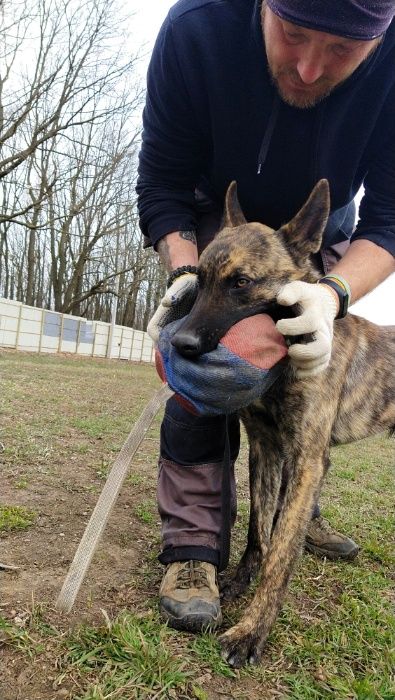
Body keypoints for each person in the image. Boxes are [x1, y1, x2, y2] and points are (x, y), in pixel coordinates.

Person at [137, 0, 395, 632]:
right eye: (294, 33)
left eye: (341, 50)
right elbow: (162, 182)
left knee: (305, 403)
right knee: (208, 373)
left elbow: (389, 221)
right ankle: (195, 550)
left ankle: (298, 518)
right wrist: (183, 274)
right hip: (221, 232)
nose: (309, 68)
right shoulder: (196, 31)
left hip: (315, 235)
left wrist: (330, 293)